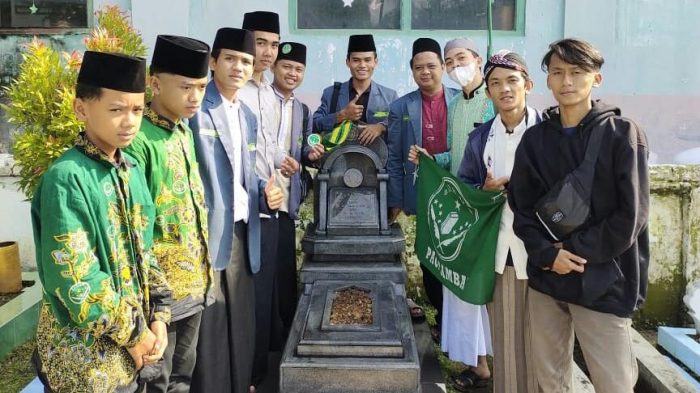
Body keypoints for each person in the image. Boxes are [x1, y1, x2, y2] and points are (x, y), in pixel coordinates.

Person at [508, 38, 649, 393]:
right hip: (547, 278)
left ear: (596, 78)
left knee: (613, 383)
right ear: (547, 81)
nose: (567, 81)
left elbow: (630, 216)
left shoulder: (622, 135)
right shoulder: (535, 140)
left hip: (602, 278)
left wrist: (573, 252)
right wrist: (548, 255)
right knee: (551, 380)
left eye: (577, 72)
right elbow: (521, 207)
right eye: (558, 72)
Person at [31, 51, 172, 393]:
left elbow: (146, 250)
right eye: (116, 109)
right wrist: (137, 335)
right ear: (82, 109)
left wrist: (160, 317)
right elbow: (77, 280)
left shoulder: (131, 170)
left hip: (133, 352)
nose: (130, 121)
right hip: (86, 365)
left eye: (137, 110)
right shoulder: (67, 178)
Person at [190, 27, 283, 393]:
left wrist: (265, 194)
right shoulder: (196, 109)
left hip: (244, 230)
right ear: (213, 62)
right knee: (212, 324)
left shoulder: (246, 114)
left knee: (242, 320)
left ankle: (241, 381)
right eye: (230, 58)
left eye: (245, 61)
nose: (238, 67)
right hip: (210, 234)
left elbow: (244, 176)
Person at [123, 35, 211, 393]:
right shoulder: (138, 140)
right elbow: (136, 226)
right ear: (155, 84)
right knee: (156, 379)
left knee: (182, 376)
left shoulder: (182, 131)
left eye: (202, 87)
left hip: (194, 283)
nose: (195, 97)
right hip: (160, 294)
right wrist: (153, 300)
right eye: (186, 86)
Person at [457, 49, 541, 393]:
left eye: (512, 81)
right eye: (495, 83)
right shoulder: (479, 139)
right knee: (505, 340)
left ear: (528, 84)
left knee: (543, 343)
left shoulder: (547, 132)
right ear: (487, 91)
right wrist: (485, 190)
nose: (504, 89)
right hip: (499, 251)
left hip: (543, 255)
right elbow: (463, 192)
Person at [251, 41, 317, 384]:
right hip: (259, 199)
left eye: (298, 70)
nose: (292, 74)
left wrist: (309, 152)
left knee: (283, 275)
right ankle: (264, 351)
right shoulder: (261, 100)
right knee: (263, 277)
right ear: (275, 68)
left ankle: (282, 341)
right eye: (286, 67)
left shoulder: (302, 109)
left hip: (286, 201)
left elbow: (301, 148)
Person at [386, 37, 458, 323]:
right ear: (412, 71)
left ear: (442, 66)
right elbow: (393, 157)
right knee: (429, 255)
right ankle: (442, 316)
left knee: (455, 253)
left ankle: (458, 322)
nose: (425, 72)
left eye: (431, 66)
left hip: (456, 189)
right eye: (419, 67)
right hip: (422, 190)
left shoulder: (461, 100)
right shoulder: (401, 107)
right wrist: (395, 198)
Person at [438, 37, 495, 390]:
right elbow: (454, 152)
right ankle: (478, 364)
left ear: (478, 59)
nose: (455, 65)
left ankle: (489, 363)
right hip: (462, 206)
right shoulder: (456, 104)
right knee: (461, 286)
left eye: (461, 58)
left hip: (488, 208)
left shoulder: (494, 99)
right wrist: (431, 159)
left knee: (482, 290)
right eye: (449, 62)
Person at [313, 34, 398, 146]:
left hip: (377, 161)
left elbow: (399, 125)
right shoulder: (332, 93)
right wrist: (341, 116)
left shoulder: (389, 96)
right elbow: (314, 124)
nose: (362, 65)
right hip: (338, 160)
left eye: (368, 60)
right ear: (348, 62)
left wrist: (381, 127)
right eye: (356, 60)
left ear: (375, 62)